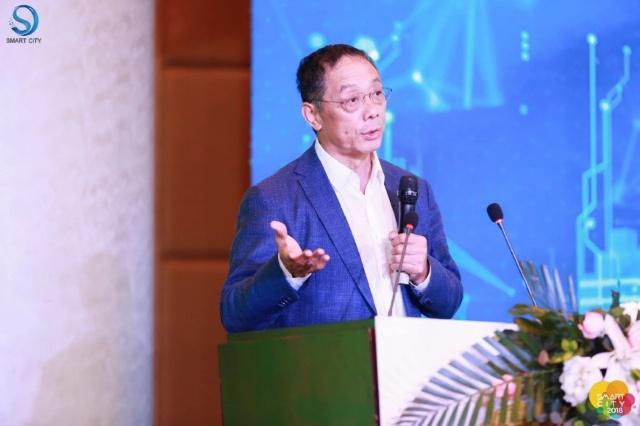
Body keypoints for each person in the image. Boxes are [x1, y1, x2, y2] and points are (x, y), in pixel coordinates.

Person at [221, 44, 462, 332]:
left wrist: (423, 271)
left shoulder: (413, 189)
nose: (372, 111)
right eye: (352, 100)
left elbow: (449, 302)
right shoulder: (274, 199)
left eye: (376, 93)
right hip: (327, 361)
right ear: (313, 115)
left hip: (404, 361)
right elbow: (235, 315)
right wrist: (286, 273)